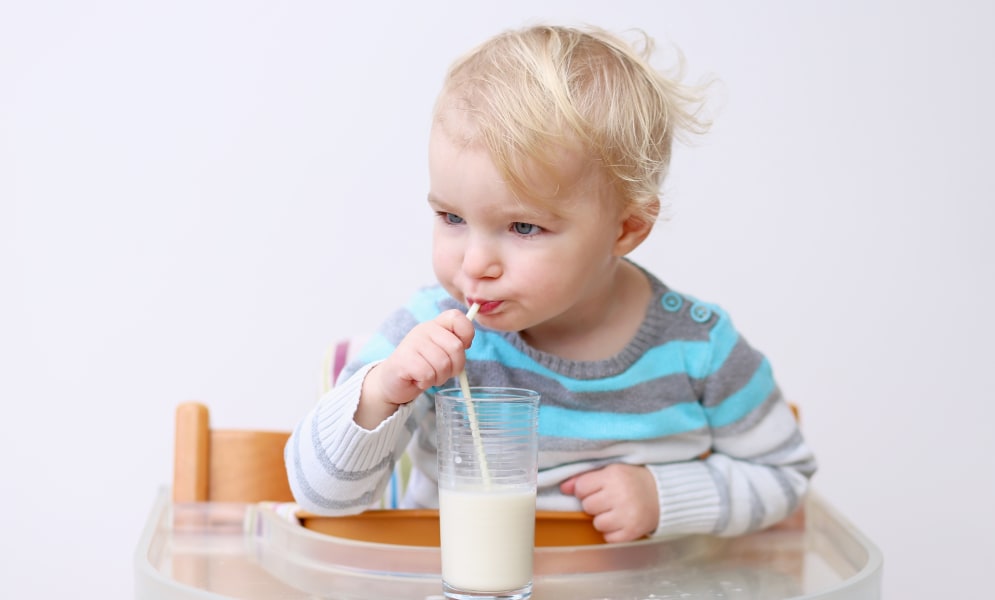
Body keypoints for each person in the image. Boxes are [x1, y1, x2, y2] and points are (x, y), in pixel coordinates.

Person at [285, 24, 816, 543]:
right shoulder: (426, 334)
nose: (475, 263)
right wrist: (382, 391)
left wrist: (664, 497)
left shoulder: (699, 351)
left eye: (523, 227)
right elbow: (320, 495)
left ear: (626, 229)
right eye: (451, 217)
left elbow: (786, 474)